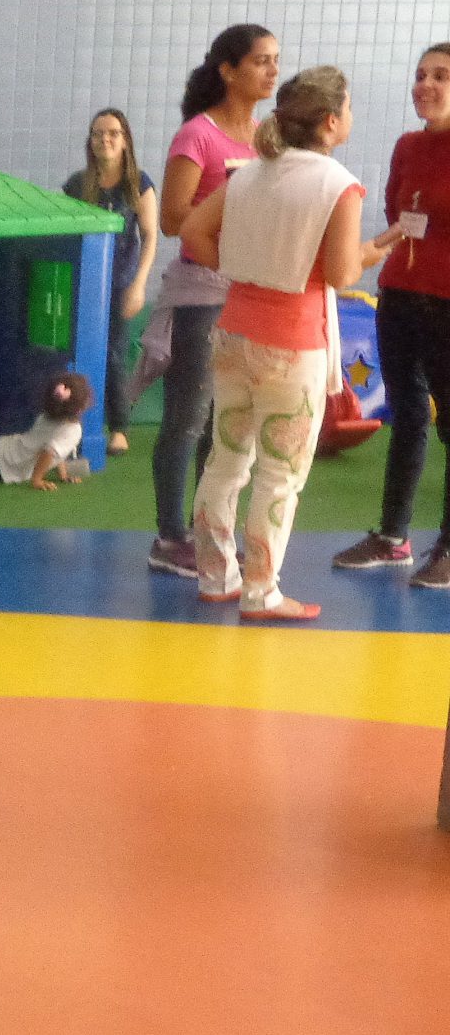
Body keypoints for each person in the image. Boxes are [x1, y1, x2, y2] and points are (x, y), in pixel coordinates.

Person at [178, 67, 401, 622]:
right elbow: (340, 272)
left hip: (234, 332)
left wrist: (242, 268)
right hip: (294, 346)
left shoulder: (250, 173)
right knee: (279, 477)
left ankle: (215, 577)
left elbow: (193, 232)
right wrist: (372, 252)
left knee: (226, 460)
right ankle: (262, 592)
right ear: (330, 121)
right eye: (348, 107)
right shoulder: (339, 185)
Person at [144, 25, 282, 578]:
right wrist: (232, 209)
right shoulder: (197, 136)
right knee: (188, 417)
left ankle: (209, 533)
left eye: (275, 60)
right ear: (228, 70)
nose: (272, 71)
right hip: (202, 292)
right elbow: (173, 219)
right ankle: (169, 537)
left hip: (248, 293)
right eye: (260, 61)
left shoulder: (269, 137)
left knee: (228, 422)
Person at [333, 42, 450, 586]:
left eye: (441, 76)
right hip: (398, 295)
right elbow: (394, 211)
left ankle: (447, 547)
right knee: (407, 415)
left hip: (446, 303)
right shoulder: (408, 145)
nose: (425, 84)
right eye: (421, 74)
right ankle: (393, 536)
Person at [63, 109, 157, 453]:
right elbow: (64, 232)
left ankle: (119, 428)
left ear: (125, 140)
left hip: (120, 283)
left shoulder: (138, 184)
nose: (105, 139)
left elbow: (150, 236)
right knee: (71, 350)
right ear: (90, 141)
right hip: (82, 283)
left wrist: (139, 284)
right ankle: (70, 422)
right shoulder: (77, 185)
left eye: (113, 133)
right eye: (98, 133)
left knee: (114, 354)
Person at [0, 371, 94, 489]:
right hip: (6, 466)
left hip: (1, 447)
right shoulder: (73, 430)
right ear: (80, 407)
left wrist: (63, 475)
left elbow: (56, 452)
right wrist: (37, 479)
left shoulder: (48, 416)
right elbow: (49, 452)